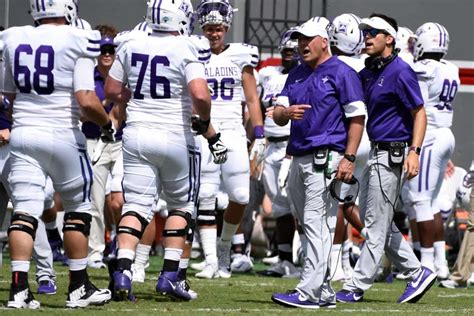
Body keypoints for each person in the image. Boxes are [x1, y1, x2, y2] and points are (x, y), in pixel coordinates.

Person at [105, 0, 227, 302]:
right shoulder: (188, 46)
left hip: (136, 134)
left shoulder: (131, 43)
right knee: (181, 206)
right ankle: (170, 276)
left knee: (136, 206)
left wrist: (136, 96)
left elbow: (110, 91)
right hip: (175, 135)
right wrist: (206, 121)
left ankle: (123, 271)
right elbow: (200, 94)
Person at [2, 0, 113, 308]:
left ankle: (19, 290)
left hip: (23, 133)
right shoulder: (79, 37)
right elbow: (87, 100)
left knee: (24, 211)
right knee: (78, 208)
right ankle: (79, 287)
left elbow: (7, 96)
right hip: (63, 133)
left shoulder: (14, 37)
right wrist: (106, 124)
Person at [336, 13, 435, 304]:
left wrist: (414, 152)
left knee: (376, 225)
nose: (366, 36)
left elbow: (419, 114)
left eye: (373, 32)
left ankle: (356, 285)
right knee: (375, 221)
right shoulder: (369, 70)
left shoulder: (401, 71)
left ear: (389, 39)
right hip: (377, 150)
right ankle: (417, 272)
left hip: (393, 152)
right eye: (365, 30)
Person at [270, 17, 366, 309]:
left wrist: (348, 157)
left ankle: (308, 291)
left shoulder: (342, 72)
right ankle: (323, 290)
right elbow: (275, 113)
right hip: (298, 154)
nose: (301, 45)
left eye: (307, 39)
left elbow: (357, 118)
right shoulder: (296, 73)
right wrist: (286, 113)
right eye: (299, 39)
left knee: (315, 222)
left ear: (324, 41)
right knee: (308, 223)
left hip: (326, 156)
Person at [193, 0, 265, 279]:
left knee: (240, 195)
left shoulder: (240, 55)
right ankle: (211, 258)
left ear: (226, 29)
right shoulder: (194, 53)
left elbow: (251, 98)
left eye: (218, 29)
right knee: (205, 194)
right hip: (202, 129)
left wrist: (258, 133)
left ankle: (225, 249)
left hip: (233, 129)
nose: (213, 34)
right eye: (209, 29)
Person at [402, 22, 459, 280]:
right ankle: (440, 263)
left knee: (420, 201)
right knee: (432, 202)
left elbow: (416, 104)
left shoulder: (424, 68)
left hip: (431, 136)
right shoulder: (451, 68)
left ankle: (424, 264)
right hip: (446, 133)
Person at [328, 13, 370, 283]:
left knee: (333, 206)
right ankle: (344, 261)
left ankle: (332, 266)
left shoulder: (332, 65)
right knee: (346, 203)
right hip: (366, 138)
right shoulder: (366, 64)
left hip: (346, 139)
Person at [256, 28, 300, 278]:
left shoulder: (305, 77)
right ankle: (286, 260)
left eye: (293, 52)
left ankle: (312, 259)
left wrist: (292, 151)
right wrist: (257, 140)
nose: (288, 56)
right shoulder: (268, 75)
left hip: (290, 146)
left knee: (301, 207)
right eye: (285, 51)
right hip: (271, 144)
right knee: (279, 207)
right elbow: (258, 107)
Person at [82, 25, 125, 269]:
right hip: (93, 140)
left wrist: (106, 108)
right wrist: (106, 102)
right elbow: (82, 113)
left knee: (119, 201)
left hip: (120, 142)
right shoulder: (87, 75)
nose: (106, 53)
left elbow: (123, 113)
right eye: (102, 49)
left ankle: (122, 242)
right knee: (95, 200)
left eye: (111, 49)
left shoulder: (125, 74)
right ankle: (95, 250)